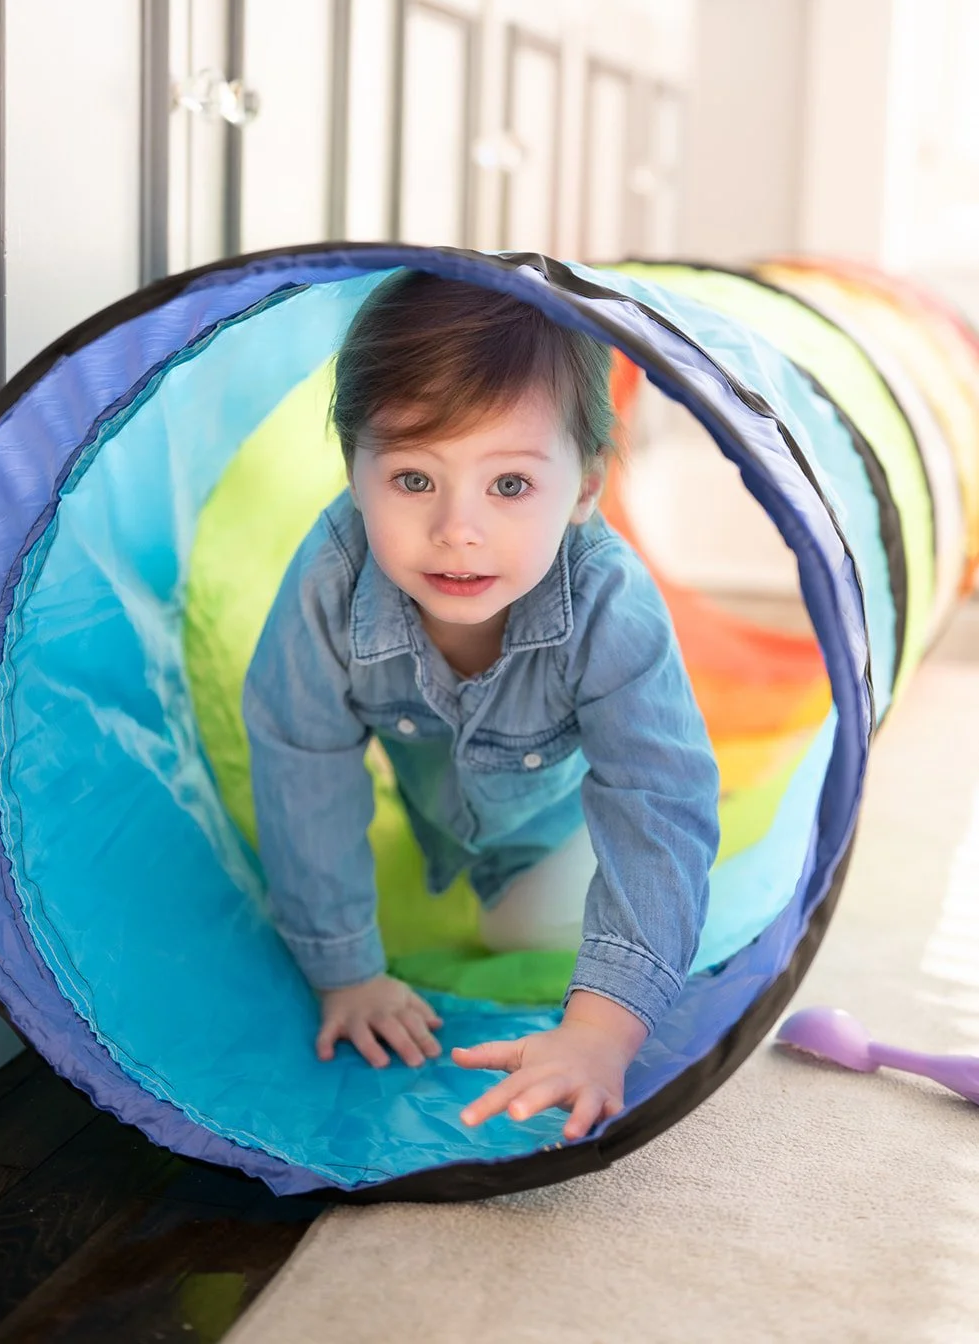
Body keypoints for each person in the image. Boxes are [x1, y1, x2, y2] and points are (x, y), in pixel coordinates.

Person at [243, 269, 720, 1140]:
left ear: (583, 489)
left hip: (556, 828)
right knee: (295, 927)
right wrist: (345, 972)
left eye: (509, 485)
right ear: (353, 470)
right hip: (428, 821)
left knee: (524, 933)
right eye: (414, 480)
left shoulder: (609, 602)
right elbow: (297, 754)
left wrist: (599, 1031)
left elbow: (656, 794)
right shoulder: (331, 576)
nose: (457, 528)